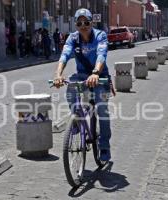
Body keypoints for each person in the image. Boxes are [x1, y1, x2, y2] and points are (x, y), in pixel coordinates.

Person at [53, 8, 113, 162]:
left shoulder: (100, 35)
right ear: (76, 24)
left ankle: (104, 146)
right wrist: (58, 75)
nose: (83, 25)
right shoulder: (72, 38)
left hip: (100, 76)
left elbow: (101, 54)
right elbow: (64, 56)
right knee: (70, 89)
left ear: (91, 22)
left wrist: (95, 73)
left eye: (86, 22)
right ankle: (77, 120)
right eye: (79, 23)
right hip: (81, 75)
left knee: (102, 109)